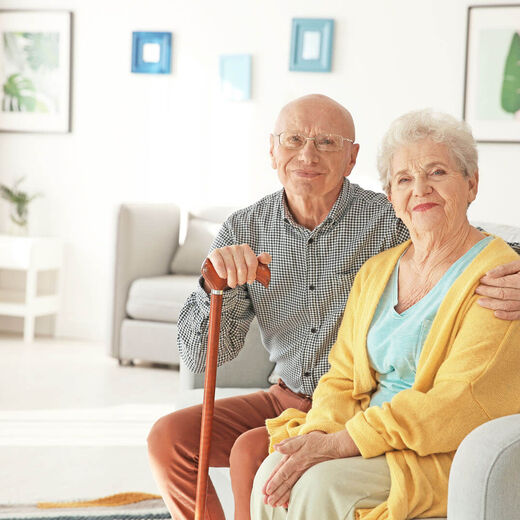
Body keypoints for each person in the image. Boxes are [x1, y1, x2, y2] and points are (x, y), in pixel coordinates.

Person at [147, 95, 520, 520]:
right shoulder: (244, 229)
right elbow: (198, 355)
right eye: (294, 140)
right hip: (294, 395)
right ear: (272, 151)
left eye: (326, 142)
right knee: (168, 439)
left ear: (350, 158)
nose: (307, 154)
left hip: (365, 401)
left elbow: (460, 238)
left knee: (255, 456)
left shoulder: (388, 216)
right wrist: (216, 286)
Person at [251, 109, 520, 520]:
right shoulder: (378, 270)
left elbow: (457, 401)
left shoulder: (497, 275)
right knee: (273, 472)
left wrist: (342, 443)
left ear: (472, 184)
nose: (421, 189)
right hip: (363, 436)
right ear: (391, 196)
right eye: (405, 180)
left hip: (433, 451)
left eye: (437, 173)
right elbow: (341, 377)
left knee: (323, 487)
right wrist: (322, 433)